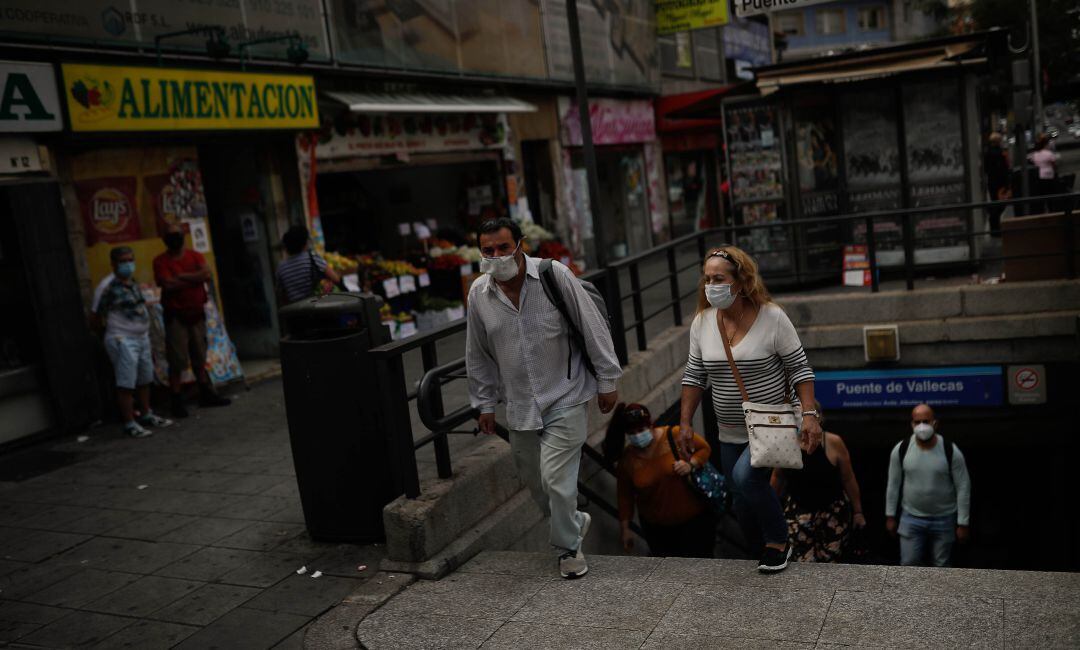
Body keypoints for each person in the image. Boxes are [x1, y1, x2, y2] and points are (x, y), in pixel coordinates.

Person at [466, 217, 621, 579]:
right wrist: (485, 404)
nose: (496, 256)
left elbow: (590, 325)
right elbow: (477, 352)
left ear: (520, 245)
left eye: (504, 248)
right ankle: (575, 521)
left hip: (565, 393)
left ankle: (569, 552)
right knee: (536, 483)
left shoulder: (555, 276)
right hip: (519, 404)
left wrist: (607, 379)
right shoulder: (479, 294)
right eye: (488, 250)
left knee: (555, 478)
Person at [677, 246, 821, 573]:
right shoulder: (702, 323)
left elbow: (800, 368)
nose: (710, 285)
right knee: (741, 503)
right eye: (706, 278)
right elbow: (695, 376)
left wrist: (810, 414)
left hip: (771, 424)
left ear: (741, 283)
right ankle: (761, 552)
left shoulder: (772, 317)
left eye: (719, 278)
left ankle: (779, 541)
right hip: (729, 430)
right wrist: (685, 423)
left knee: (747, 478)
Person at [606, 403, 714, 558]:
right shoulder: (628, 460)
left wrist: (691, 464)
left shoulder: (674, 435)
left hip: (694, 522)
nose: (637, 435)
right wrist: (625, 529)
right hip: (657, 530)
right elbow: (624, 496)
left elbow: (704, 448)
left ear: (650, 425)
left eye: (641, 430)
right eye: (632, 432)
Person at [770, 403, 866, 563]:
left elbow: (848, 478)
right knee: (801, 565)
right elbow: (777, 478)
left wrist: (858, 512)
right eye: (797, 415)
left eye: (807, 415)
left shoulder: (834, 442)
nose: (802, 420)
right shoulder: (785, 443)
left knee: (831, 565)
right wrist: (770, 513)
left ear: (819, 418)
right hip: (798, 515)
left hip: (832, 515)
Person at [153, 223, 230, 418]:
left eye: (177, 234)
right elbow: (167, 284)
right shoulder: (160, 261)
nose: (175, 238)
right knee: (177, 359)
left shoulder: (195, 255)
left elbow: (206, 274)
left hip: (197, 313)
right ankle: (176, 399)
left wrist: (181, 276)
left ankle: (205, 391)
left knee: (199, 355)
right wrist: (193, 279)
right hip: (176, 316)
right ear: (164, 240)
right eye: (171, 235)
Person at [96, 246, 173, 438]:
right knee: (126, 383)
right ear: (113, 263)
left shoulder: (132, 282)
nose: (128, 264)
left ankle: (146, 414)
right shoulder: (107, 286)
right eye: (123, 261)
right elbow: (95, 316)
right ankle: (129, 422)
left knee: (145, 378)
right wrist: (112, 334)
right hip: (122, 339)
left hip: (141, 337)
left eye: (130, 259)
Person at [885, 404, 972, 567]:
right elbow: (893, 484)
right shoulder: (901, 449)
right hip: (911, 518)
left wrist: (963, 523)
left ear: (935, 423)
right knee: (908, 565)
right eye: (917, 422)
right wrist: (890, 516)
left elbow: (963, 487)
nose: (921, 426)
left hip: (944, 518)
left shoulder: (950, 450)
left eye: (926, 421)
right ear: (911, 424)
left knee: (942, 566)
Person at [276, 225, 341, 305]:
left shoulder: (281, 267)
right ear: (305, 243)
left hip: (295, 311)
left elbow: (281, 295)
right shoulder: (312, 258)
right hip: (316, 307)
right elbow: (336, 278)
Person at [983, 132, 1010, 234]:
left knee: (996, 202)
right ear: (998, 142)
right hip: (1000, 183)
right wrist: (1006, 183)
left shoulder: (987, 153)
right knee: (1000, 204)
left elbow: (986, 169)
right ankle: (995, 226)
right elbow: (1004, 168)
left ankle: (994, 227)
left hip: (992, 182)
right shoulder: (1000, 153)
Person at [1028, 133, 1061, 213]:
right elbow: (1054, 165)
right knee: (1051, 196)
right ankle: (1051, 211)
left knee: (1042, 196)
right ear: (1046, 144)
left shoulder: (1035, 154)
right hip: (1049, 176)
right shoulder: (1049, 154)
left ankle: (1042, 212)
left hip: (1039, 177)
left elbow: (1031, 161)